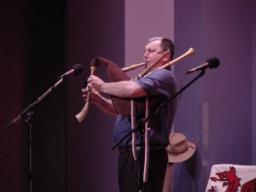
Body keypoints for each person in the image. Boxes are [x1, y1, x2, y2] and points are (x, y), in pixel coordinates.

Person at [82, 37, 177, 192]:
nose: (145, 55)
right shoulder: (146, 79)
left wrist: (103, 86)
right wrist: (99, 100)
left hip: (146, 152)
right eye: (145, 51)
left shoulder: (163, 75)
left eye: (151, 51)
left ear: (165, 55)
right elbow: (121, 110)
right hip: (130, 152)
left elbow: (132, 90)